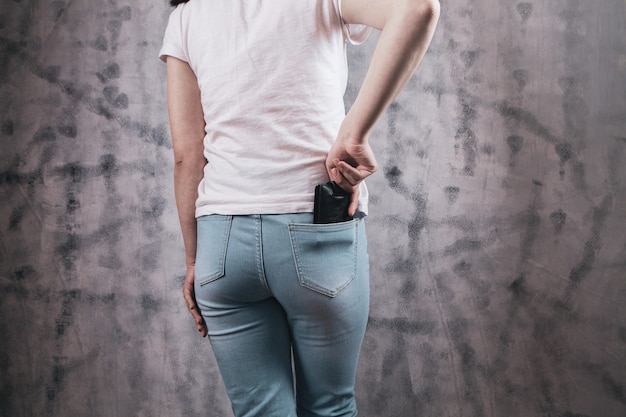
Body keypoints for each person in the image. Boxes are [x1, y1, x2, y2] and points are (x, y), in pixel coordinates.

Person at [159, 0, 439, 415]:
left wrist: (193, 260)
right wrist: (354, 133)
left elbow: (187, 155)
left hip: (220, 248)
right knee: (330, 407)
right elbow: (418, 8)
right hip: (316, 232)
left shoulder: (186, 17)